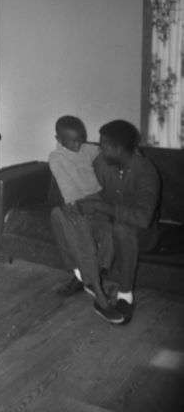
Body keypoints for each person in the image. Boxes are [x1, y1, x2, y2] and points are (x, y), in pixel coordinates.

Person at [84, 120, 160, 324]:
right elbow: (92, 194)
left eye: (103, 145)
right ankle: (86, 277)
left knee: (122, 227)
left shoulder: (145, 171)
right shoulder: (102, 162)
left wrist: (101, 208)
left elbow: (143, 219)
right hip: (109, 224)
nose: (99, 149)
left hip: (142, 234)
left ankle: (125, 296)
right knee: (77, 216)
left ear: (118, 149)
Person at [49, 115, 113, 311]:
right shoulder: (57, 157)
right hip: (75, 203)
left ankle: (88, 278)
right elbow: (66, 187)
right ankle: (97, 290)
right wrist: (73, 205)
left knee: (110, 235)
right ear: (58, 139)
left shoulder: (86, 149)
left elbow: (103, 149)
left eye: (80, 139)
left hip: (97, 201)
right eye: (72, 140)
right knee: (84, 243)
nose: (78, 144)